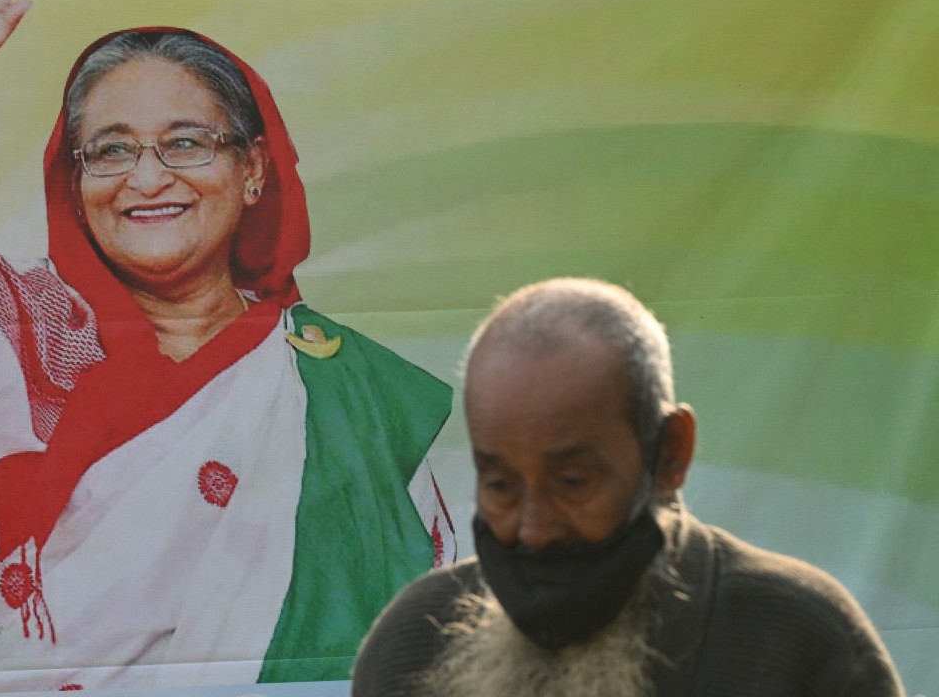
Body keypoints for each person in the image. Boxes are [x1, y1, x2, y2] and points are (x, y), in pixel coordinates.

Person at [0, 0, 454, 696]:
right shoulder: (29, 340)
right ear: (77, 180)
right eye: (113, 149)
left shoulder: (353, 390)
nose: (148, 177)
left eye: (186, 142)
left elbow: (430, 633)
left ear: (253, 168)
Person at [351, 278, 905, 697]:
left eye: (572, 481)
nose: (535, 528)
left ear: (670, 453)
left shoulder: (797, 640)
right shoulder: (415, 643)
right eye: (500, 485)